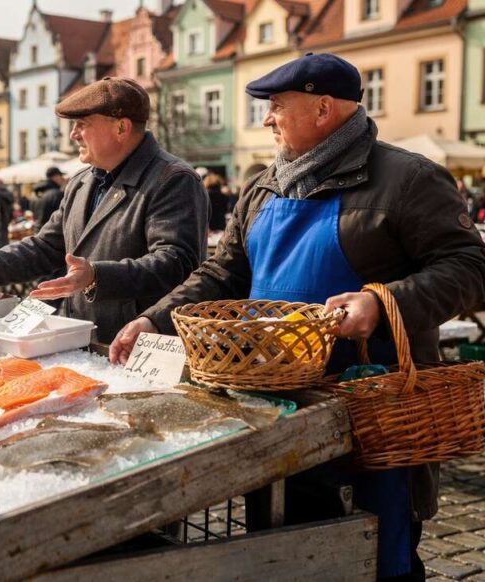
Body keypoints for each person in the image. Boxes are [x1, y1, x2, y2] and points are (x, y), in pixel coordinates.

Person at [110, 53, 485, 580]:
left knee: (377, 555)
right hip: (271, 408)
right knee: (281, 549)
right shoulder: (263, 186)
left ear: (324, 109)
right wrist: (156, 319)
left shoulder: (408, 178)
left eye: (277, 106)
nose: (266, 119)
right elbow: (224, 274)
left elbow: (471, 266)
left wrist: (384, 303)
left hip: (370, 409)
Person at [0, 77, 208, 343]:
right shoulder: (82, 182)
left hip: (137, 343)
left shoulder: (172, 179)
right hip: (82, 336)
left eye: (82, 124)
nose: (73, 135)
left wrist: (96, 275)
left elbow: (175, 263)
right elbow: (43, 248)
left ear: (121, 127)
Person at [30, 166, 66, 232]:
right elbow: (62, 216)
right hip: (52, 233)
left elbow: (32, 213)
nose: (63, 179)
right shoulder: (57, 194)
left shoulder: (34, 194)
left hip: (37, 231)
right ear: (56, 177)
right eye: (61, 176)